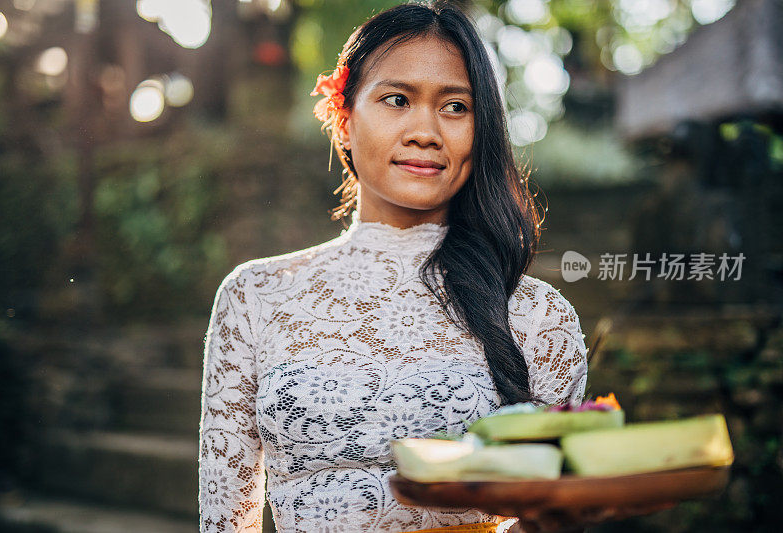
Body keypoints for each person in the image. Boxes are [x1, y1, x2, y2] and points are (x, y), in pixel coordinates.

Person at [199, 2, 591, 531]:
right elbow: (226, 518)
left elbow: (548, 517)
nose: (425, 131)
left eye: (455, 106)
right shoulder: (255, 296)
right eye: (397, 99)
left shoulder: (538, 318)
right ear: (344, 117)